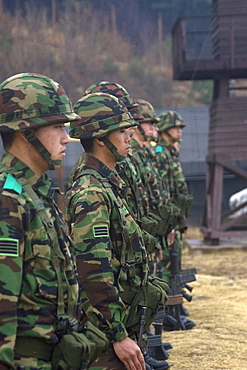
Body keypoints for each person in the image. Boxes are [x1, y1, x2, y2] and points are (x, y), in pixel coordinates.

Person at [65, 92, 169, 370]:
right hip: (106, 333)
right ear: (100, 139)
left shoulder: (107, 184)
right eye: (122, 131)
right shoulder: (91, 192)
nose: (130, 136)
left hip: (120, 322)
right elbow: (93, 269)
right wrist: (117, 333)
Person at [0, 73, 81, 369]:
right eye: (58, 126)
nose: (66, 138)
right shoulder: (9, 199)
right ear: (26, 131)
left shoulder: (38, 193)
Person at [155, 110, 195, 331]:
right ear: (165, 130)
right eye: (175, 127)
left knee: (175, 264)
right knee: (169, 266)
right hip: (169, 218)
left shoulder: (170, 152)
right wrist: (169, 221)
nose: (179, 131)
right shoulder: (161, 153)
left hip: (175, 217)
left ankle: (174, 309)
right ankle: (169, 312)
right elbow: (163, 190)